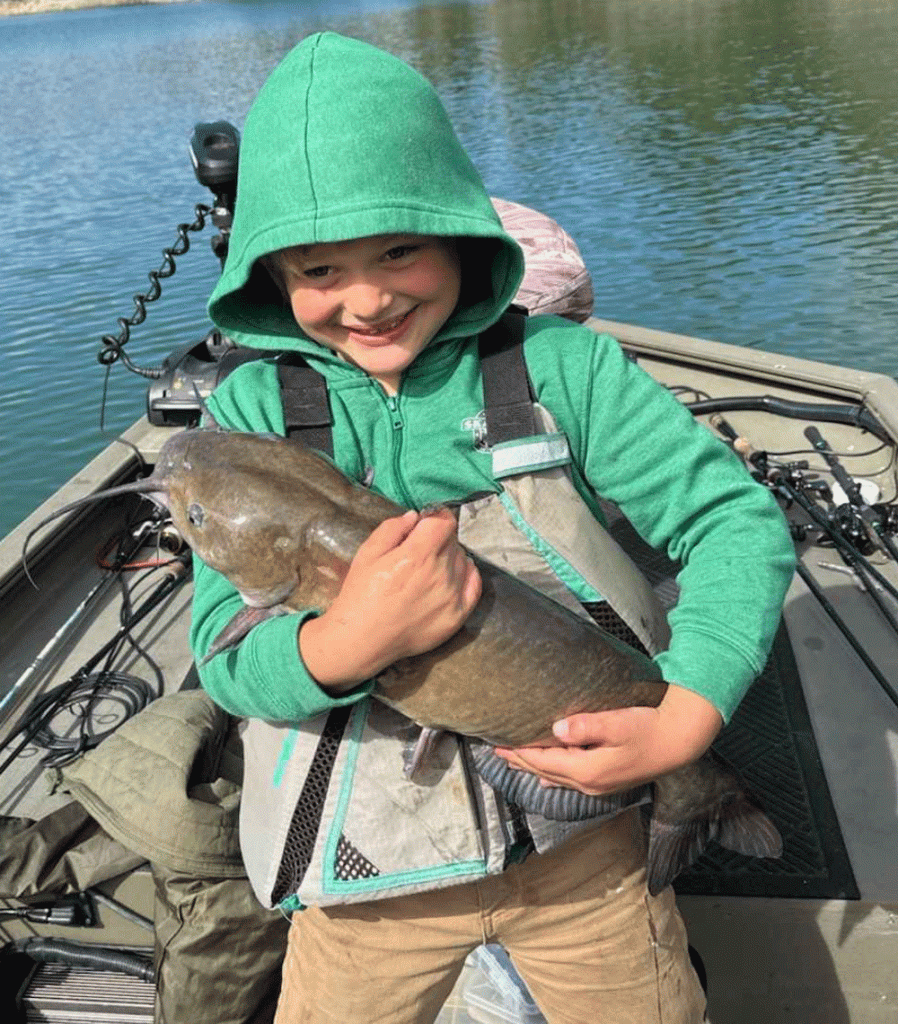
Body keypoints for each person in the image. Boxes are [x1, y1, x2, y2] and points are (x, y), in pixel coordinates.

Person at [191, 31, 795, 1024]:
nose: (370, 296)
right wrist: (349, 641)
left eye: (400, 248)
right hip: (362, 879)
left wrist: (691, 711)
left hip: (583, 858)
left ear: (461, 237)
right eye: (320, 268)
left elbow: (736, 522)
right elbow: (223, 659)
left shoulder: (568, 369)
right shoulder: (253, 415)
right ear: (270, 276)